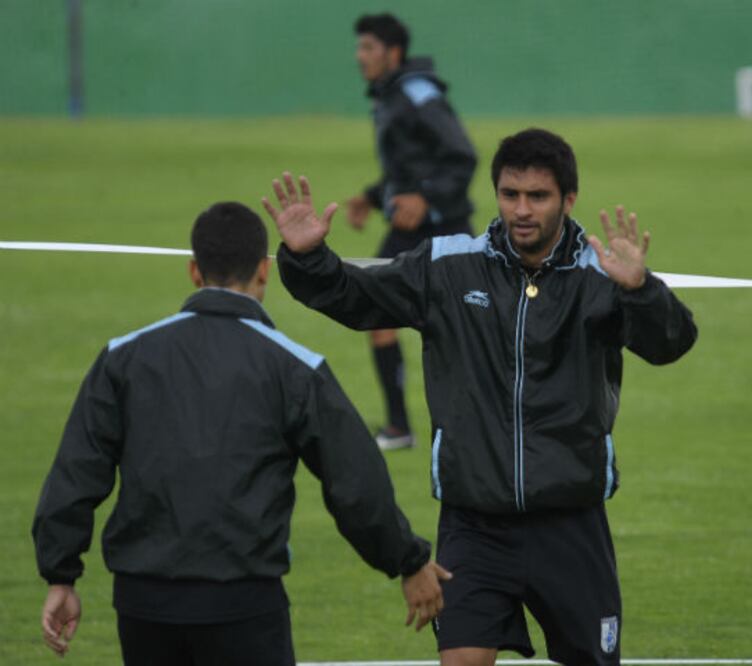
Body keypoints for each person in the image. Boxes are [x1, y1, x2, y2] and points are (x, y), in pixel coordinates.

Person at [264, 128, 698, 665]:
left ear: (568, 199)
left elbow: (670, 344)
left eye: (537, 196)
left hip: (570, 523)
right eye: (509, 194)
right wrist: (308, 257)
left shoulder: (602, 276)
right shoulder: (447, 265)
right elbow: (356, 299)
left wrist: (641, 290)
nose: (521, 209)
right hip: (474, 526)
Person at [32, 202, 450, 665]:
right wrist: (407, 562)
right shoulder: (295, 367)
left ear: (194, 271)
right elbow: (355, 483)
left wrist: (61, 576)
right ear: (262, 272)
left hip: (142, 604)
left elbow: (76, 471)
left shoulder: (123, 357)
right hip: (245, 604)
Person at [346, 12, 478, 450]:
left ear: (393, 52)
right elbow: (408, 166)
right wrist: (370, 195)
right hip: (410, 228)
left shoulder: (418, 93)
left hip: (441, 228)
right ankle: (399, 427)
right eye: (360, 46)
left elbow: (462, 154)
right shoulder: (390, 96)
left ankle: (453, 425)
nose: (359, 56)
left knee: (465, 328)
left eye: (368, 47)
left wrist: (427, 198)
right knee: (379, 315)